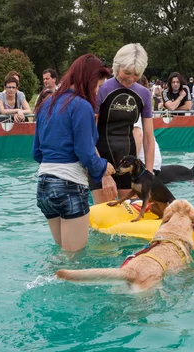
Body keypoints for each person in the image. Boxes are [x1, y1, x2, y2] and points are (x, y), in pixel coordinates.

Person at [34, 53, 115, 251]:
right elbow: (85, 153)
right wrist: (105, 167)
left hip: (44, 186)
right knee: (74, 260)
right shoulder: (81, 106)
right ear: (89, 80)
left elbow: (37, 152)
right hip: (69, 186)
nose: (97, 92)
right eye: (97, 86)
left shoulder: (46, 104)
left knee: (62, 255)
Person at [91, 43, 155, 205]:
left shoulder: (144, 94)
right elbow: (89, 136)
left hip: (129, 164)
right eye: (127, 72)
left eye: (136, 74)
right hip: (101, 159)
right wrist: (103, 172)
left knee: (132, 220)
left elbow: (148, 137)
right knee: (105, 221)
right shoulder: (102, 90)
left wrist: (148, 173)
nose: (131, 78)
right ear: (116, 66)